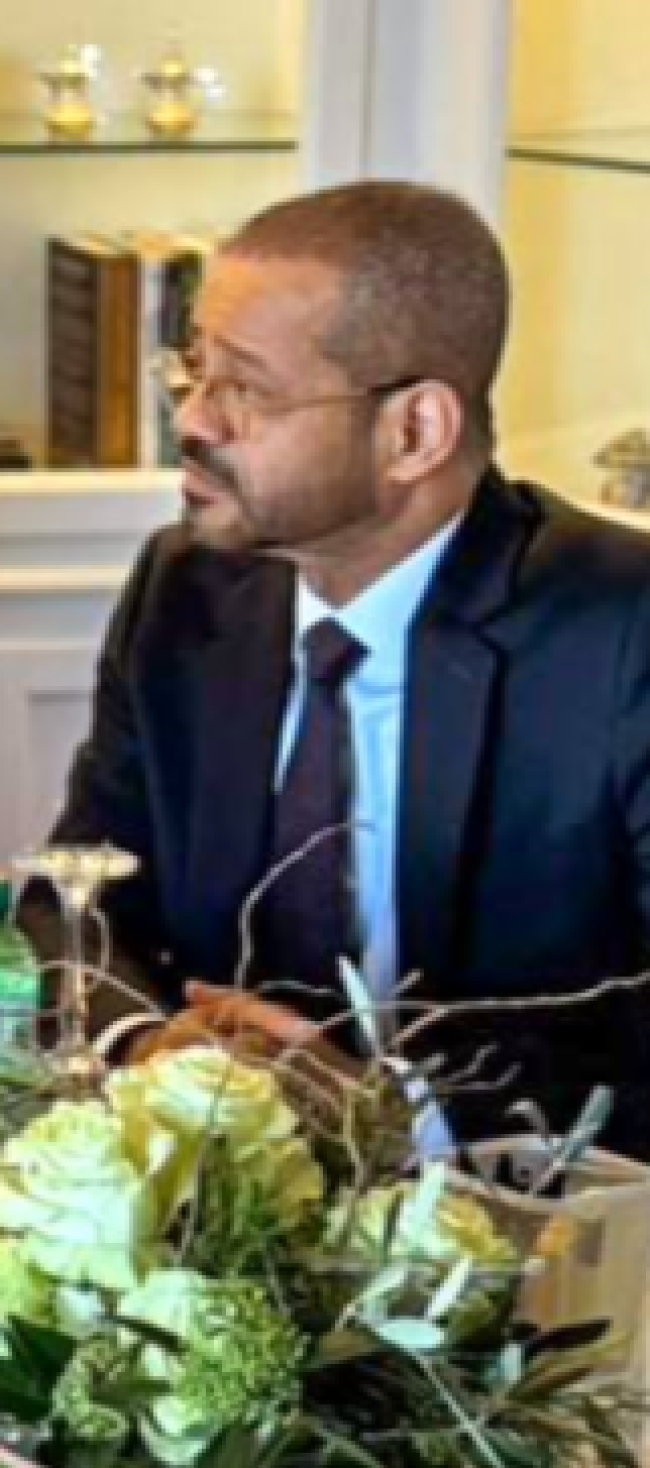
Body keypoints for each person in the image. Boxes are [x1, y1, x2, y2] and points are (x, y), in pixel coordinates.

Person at [47, 181, 650, 1150]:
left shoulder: (622, 630)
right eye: (193, 370)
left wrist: (398, 1114)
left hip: (533, 1204)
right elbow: (73, 899)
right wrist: (147, 1046)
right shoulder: (186, 588)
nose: (193, 420)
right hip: (223, 1192)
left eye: (246, 389)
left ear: (414, 432)